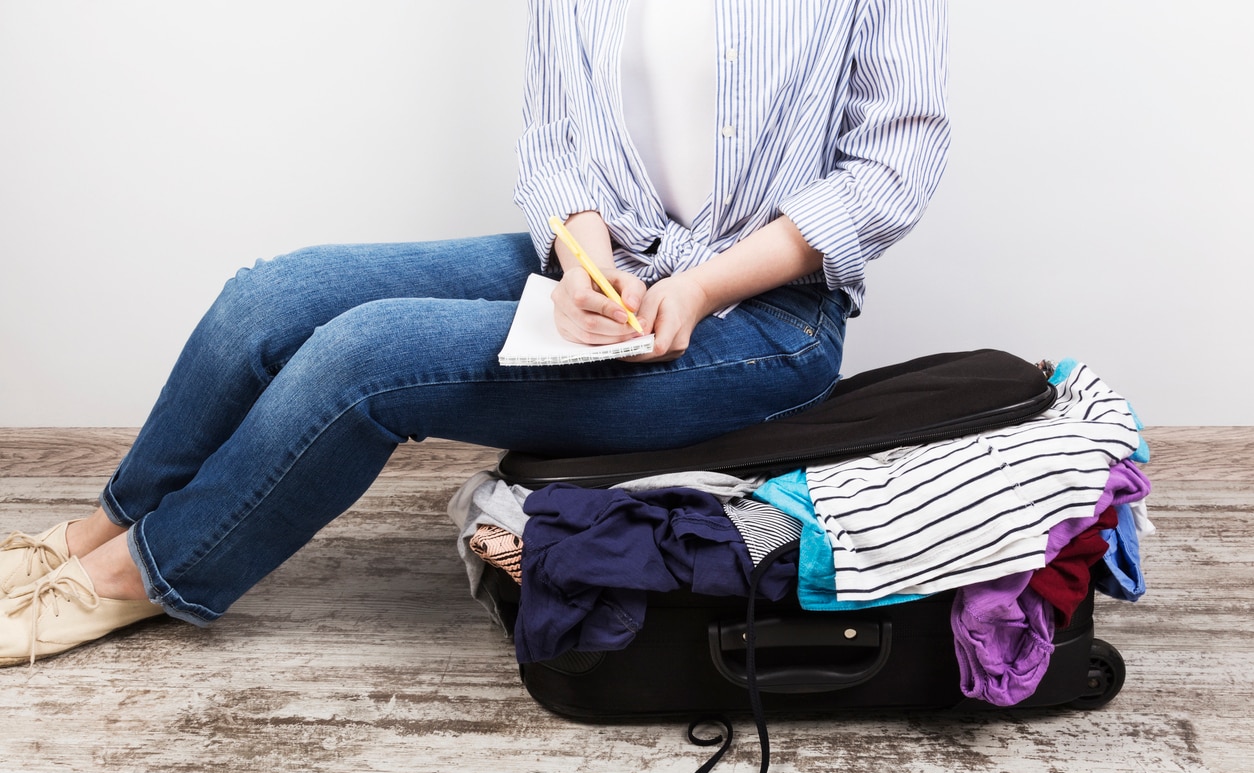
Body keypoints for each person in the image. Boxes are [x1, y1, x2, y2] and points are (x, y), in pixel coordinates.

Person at [0, 0, 950, 666]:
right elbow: (555, 144)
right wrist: (583, 257)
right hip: (613, 257)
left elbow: (893, 164)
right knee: (269, 299)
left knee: (365, 360)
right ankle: (108, 521)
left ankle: (144, 574)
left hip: (762, 321)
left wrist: (700, 289)